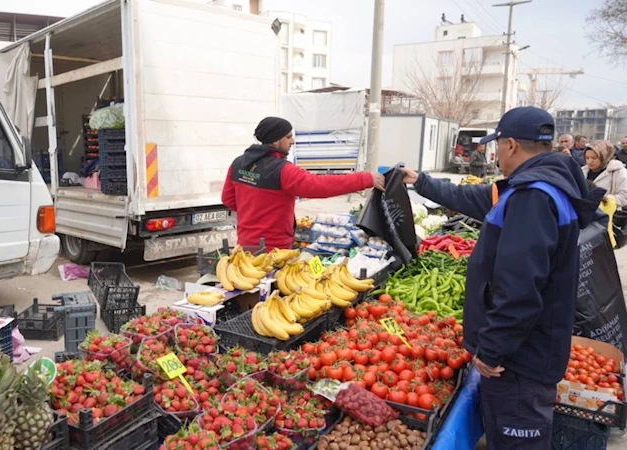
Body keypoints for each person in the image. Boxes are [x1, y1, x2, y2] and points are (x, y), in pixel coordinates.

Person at [400, 106, 601, 450]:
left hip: (521, 362)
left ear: (510, 145)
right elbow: (471, 198)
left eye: (497, 147)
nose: (495, 156)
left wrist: (491, 351)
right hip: (530, 351)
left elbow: (520, 289)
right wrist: (420, 181)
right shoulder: (538, 187)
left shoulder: (533, 198)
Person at [222, 117, 385, 250]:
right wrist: (366, 179)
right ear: (275, 141)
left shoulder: (238, 163)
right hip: (273, 249)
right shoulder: (283, 170)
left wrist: (254, 212)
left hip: (244, 245)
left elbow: (228, 199)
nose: (292, 141)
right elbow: (320, 186)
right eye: (288, 137)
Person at [582, 140, 627, 207]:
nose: (590, 161)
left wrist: (604, 200)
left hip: (609, 213)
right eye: (587, 158)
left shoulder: (618, 172)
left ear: (604, 156)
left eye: (594, 158)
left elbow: (624, 197)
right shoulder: (583, 171)